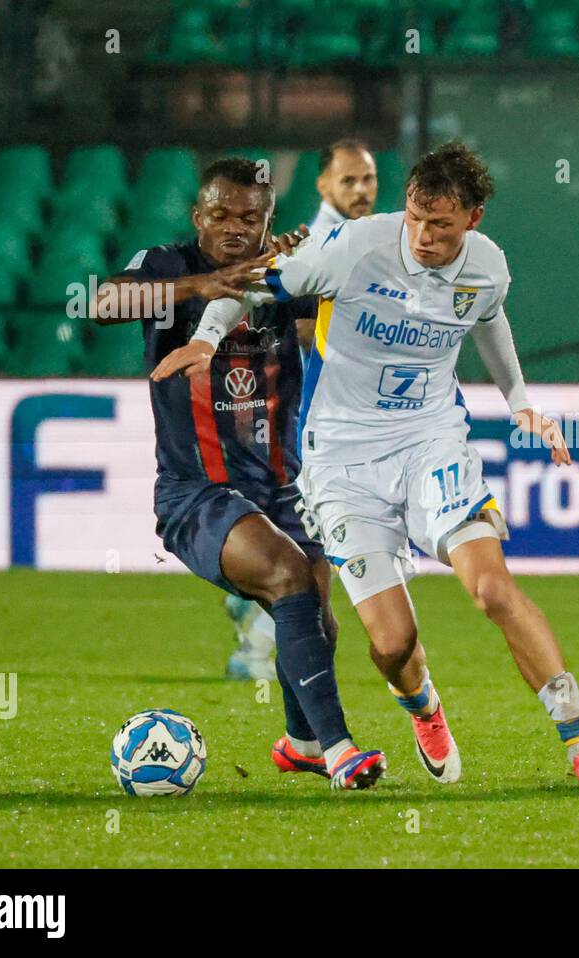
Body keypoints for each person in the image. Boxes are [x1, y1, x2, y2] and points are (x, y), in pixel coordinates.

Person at [157, 142, 579, 794]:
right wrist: (205, 340)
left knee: (492, 590)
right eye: (416, 219)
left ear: (474, 219)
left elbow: (486, 318)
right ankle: (423, 705)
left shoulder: (489, 267)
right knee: (394, 643)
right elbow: (255, 285)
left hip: (431, 441)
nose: (426, 237)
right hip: (341, 459)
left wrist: (521, 404)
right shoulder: (354, 247)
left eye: (443, 225)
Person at [95, 157, 386, 792]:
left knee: (316, 619)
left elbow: (326, 342)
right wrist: (202, 287)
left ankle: (303, 742)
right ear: (197, 217)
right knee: (287, 579)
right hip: (197, 491)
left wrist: (311, 278)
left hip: (285, 485)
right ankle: (341, 752)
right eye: (220, 215)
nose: (234, 227)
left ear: (269, 220)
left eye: (249, 217)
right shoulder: (167, 266)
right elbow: (103, 300)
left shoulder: (285, 271)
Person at [223, 137, 381, 681]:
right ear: (323, 184)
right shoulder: (307, 246)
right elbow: (264, 320)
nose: (360, 190)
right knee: (315, 552)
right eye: (349, 180)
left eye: (368, 179)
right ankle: (258, 648)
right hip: (303, 420)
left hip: (352, 416)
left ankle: (259, 625)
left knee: (325, 549)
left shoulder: (380, 241)